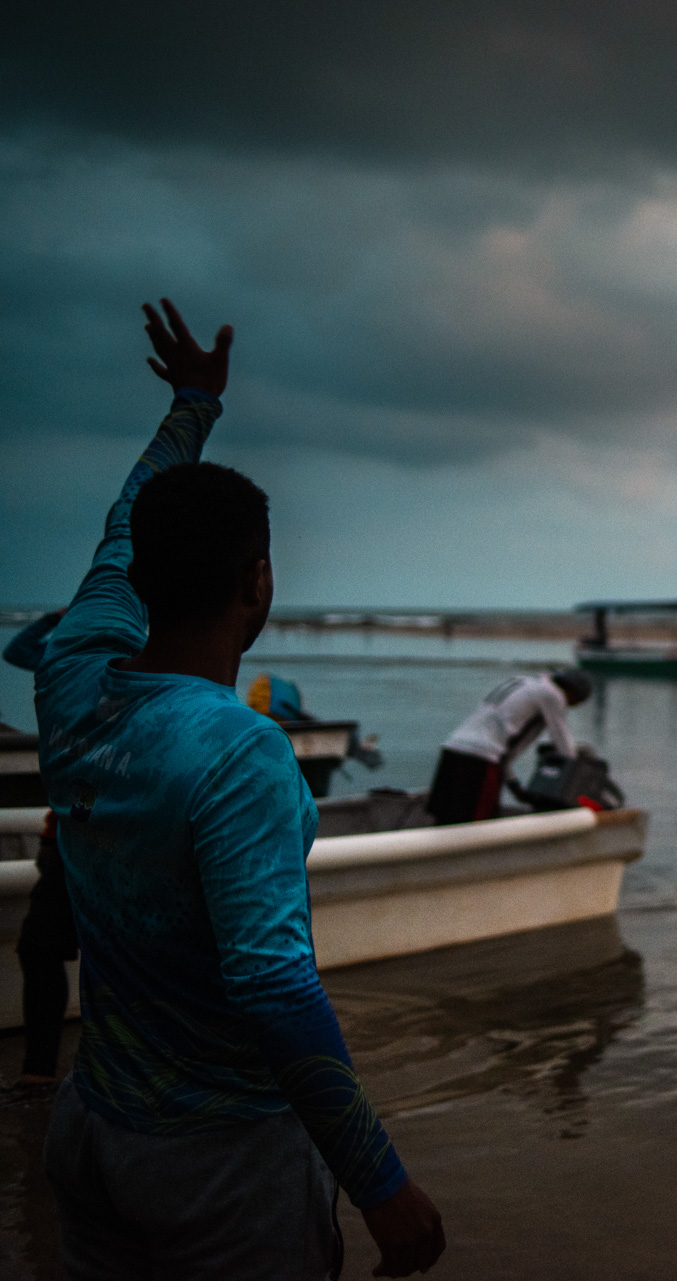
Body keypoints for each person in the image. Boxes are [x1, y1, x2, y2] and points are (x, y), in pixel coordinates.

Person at [32, 299, 444, 1278]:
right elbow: (271, 985)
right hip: (220, 1169)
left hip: (92, 1132)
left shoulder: (72, 677)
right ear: (258, 582)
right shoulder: (240, 752)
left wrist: (191, 407)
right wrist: (380, 1183)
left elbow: (119, 527)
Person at [4, 610, 74, 1091]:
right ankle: (40, 1075)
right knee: (42, 947)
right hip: (70, 837)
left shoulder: (76, 664)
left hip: (82, 838)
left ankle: (40, 1075)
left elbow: (18, 651)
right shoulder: (83, 664)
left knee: (41, 947)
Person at [426, 669, 594, 824]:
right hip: (480, 759)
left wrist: (515, 787)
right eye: (576, 702)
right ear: (572, 691)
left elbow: (504, 753)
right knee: (477, 824)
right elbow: (563, 742)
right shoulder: (552, 695)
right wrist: (578, 761)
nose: (571, 706)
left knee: (445, 818)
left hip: (453, 749)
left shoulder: (523, 683)